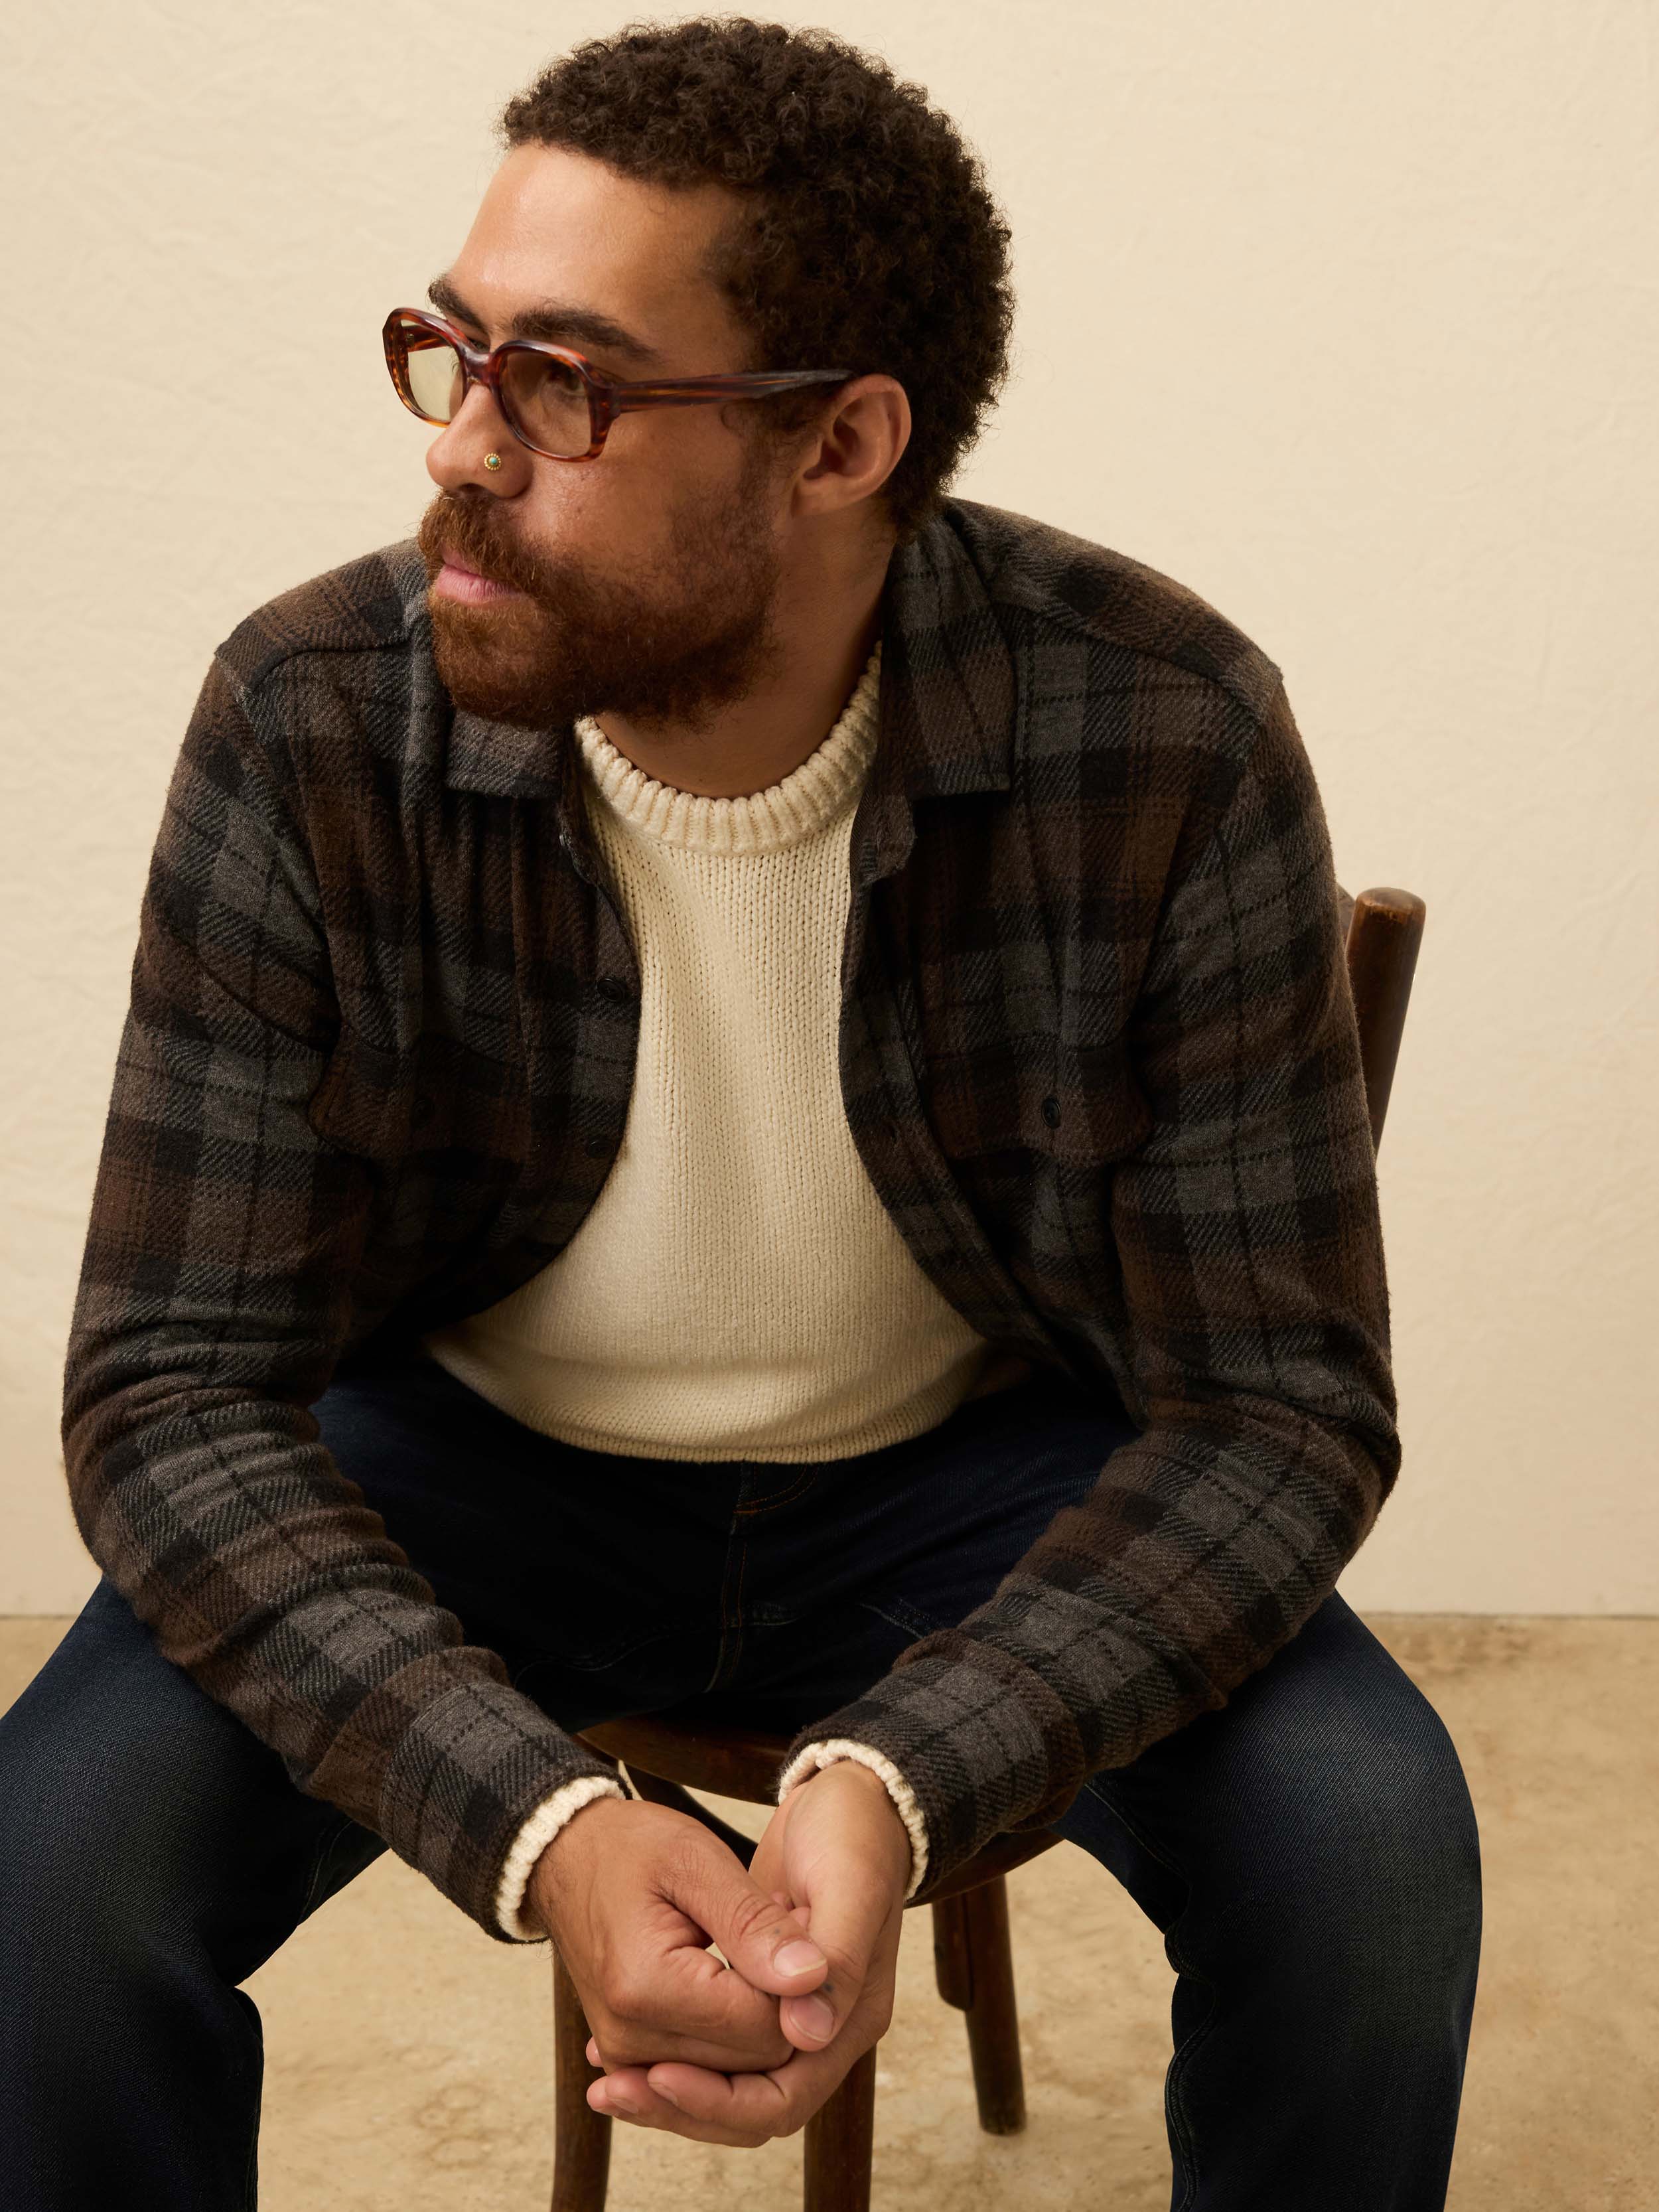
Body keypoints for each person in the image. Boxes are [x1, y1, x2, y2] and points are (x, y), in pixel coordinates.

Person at [1, 17, 1480, 2208]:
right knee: (46, 1873)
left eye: (568, 384)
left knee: (1366, 1852)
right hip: (472, 1467)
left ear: (839, 445)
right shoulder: (315, 715)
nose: (467, 453)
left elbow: (1278, 1408)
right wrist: (543, 1821)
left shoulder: (1156, 726)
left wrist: (899, 1778)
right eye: (453, 351)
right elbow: (165, 1382)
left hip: (969, 1479)